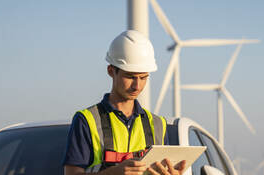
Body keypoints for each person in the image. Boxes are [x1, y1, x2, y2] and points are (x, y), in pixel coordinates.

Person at [63, 30, 186, 175]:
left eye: (143, 77)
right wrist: (114, 173)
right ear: (111, 71)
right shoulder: (86, 121)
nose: (137, 86)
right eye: (130, 77)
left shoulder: (158, 125)